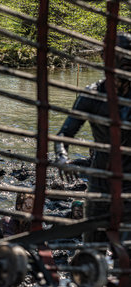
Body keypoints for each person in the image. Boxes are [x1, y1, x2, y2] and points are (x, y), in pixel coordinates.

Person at [54, 32, 131, 245]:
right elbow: (64, 134)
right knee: (92, 248)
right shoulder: (93, 94)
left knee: (125, 252)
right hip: (100, 182)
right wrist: (62, 156)